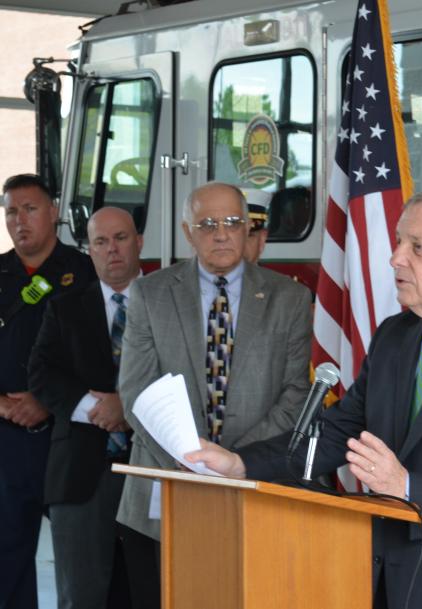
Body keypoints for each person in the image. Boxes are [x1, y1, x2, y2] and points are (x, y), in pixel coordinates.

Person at [187, 185, 422, 609]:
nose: (395, 258)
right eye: (397, 241)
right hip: (384, 579)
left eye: (417, 247)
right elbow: (339, 433)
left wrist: (408, 486)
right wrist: (242, 463)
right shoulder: (396, 335)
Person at [115, 182, 313, 608]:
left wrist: (236, 464)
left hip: (257, 486)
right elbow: (136, 391)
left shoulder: (291, 298)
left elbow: (296, 395)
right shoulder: (150, 294)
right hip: (167, 489)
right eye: (207, 224)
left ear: (248, 230)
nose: (221, 233)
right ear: (188, 232)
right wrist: (191, 463)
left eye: (232, 222)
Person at [29, 207, 140, 609]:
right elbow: (40, 373)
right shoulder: (63, 306)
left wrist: (129, 408)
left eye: (121, 238)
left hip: (154, 474)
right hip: (80, 474)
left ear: (139, 242)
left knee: (153, 592)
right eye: (101, 241)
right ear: (89, 251)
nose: (112, 250)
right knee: (81, 597)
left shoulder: (169, 302)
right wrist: (97, 408)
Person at [0, 174, 96, 609]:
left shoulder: (87, 271)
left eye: (30, 209)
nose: (20, 221)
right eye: (11, 212)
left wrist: (47, 401)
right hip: (7, 436)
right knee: (7, 556)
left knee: (83, 560)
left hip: (71, 435)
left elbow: (107, 355)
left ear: (54, 212)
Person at [242, 189, 269, 263]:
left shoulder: (273, 275)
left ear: (262, 240)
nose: (239, 245)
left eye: (248, 236)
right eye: (232, 236)